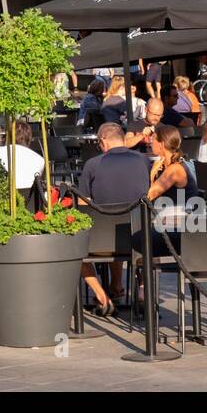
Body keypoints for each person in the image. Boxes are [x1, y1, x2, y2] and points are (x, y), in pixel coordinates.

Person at [76, 123, 152, 316]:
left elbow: (82, 205)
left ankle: (103, 297)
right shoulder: (143, 160)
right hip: (138, 240)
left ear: (103, 142)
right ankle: (140, 291)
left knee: (73, 250)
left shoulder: (93, 165)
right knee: (128, 226)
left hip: (101, 243)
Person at [0, 119, 46, 195]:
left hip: (2, 199)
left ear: (8, 137)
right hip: (30, 202)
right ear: (29, 138)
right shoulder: (40, 159)